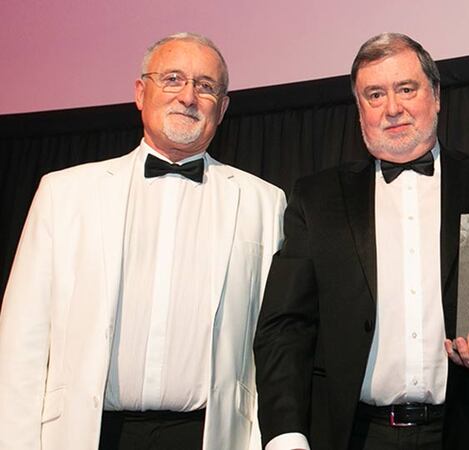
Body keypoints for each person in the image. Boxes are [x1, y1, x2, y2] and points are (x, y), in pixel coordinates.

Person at [0, 33, 286, 450]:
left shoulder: (264, 202)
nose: (188, 96)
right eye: (172, 79)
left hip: (210, 436)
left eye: (205, 86)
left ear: (222, 108)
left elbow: (274, 344)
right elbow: (21, 341)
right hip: (86, 434)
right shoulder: (63, 194)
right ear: (140, 92)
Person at [253, 33, 469, 450]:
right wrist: (285, 434)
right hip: (355, 435)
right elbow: (284, 327)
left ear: (436, 95)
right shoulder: (317, 198)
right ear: (359, 109)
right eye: (374, 94)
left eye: (406, 89)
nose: (393, 108)